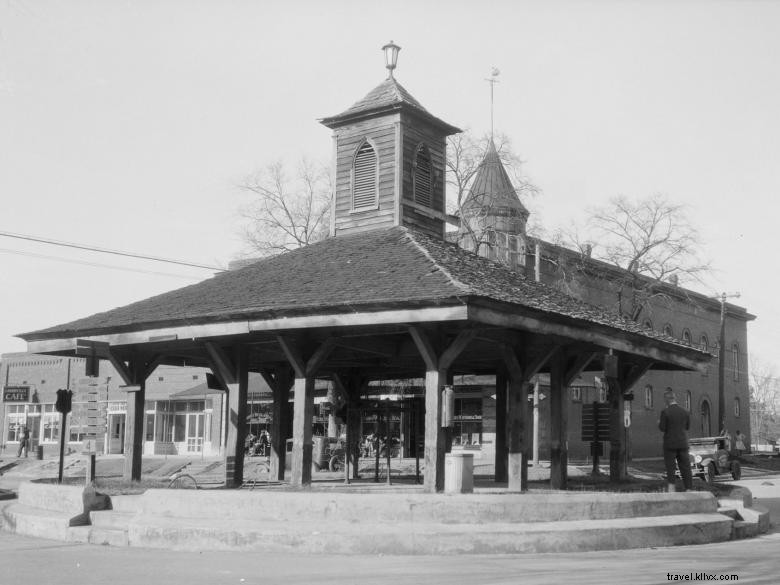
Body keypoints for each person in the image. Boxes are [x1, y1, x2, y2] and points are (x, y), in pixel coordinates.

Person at [659, 388, 692, 492]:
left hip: (670, 444)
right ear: (674, 398)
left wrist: (659, 423)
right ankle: (689, 488)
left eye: (665, 399)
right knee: (685, 467)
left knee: (670, 467)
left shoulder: (665, 412)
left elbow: (663, 428)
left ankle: (672, 488)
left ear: (667, 399)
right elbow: (687, 427)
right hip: (683, 443)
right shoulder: (685, 412)